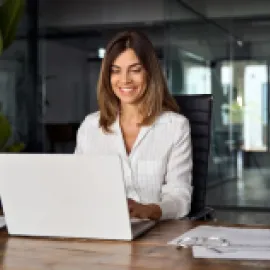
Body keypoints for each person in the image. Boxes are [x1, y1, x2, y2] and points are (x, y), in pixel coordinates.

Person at [75, 30, 192, 220]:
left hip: (155, 234)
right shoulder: (90, 127)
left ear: (149, 72)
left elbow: (180, 197)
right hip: (101, 228)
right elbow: (77, 187)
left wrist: (151, 210)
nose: (125, 80)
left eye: (135, 70)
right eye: (116, 70)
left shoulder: (175, 127)